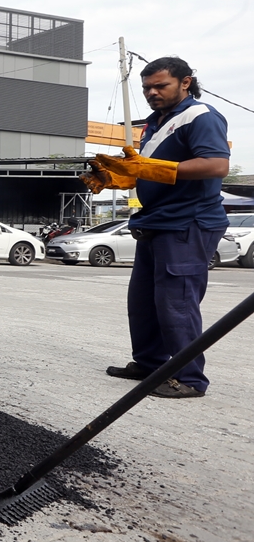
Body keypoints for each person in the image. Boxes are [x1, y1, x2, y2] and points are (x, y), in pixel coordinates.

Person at [84, 57, 229, 399]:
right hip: (156, 223)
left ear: (185, 83)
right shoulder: (155, 123)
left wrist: (154, 169)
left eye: (160, 86)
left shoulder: (200, 116)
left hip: (187, 223)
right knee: (145, 301)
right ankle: (150, 363)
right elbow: (144, 171)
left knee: (176, 302)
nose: (151, 93)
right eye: (147, 87)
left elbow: (217, 164)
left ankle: (190, 378)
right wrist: (115, 177)